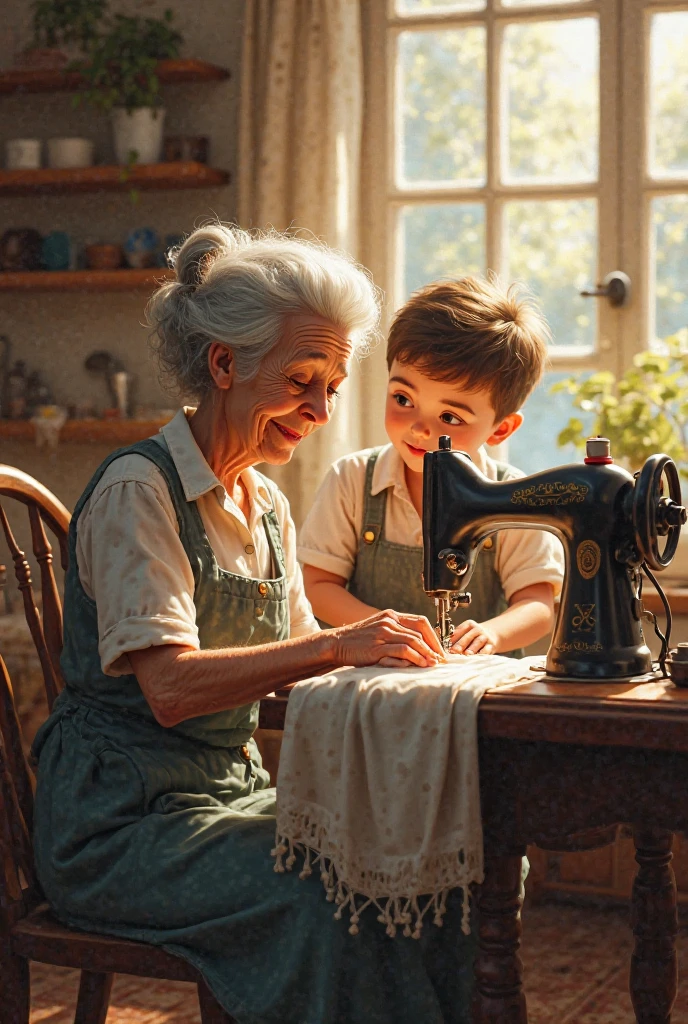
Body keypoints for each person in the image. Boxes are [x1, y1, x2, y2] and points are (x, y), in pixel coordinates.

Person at [32, 225, 478, 1024]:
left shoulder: (265, 503)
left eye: (333, 386)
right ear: (223, 364)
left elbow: (307, 672)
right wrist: (342, 642)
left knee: (426, 860)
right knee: (326, 896)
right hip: (119, 828)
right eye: (302, 379)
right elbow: (170, 689)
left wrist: (416, 688)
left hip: (229, 798)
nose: (320, 410)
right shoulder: (141, 491)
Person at [299, 275, 564, 657]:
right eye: (403, 399)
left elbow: (537, 604)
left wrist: (492, 635)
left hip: (474, 682)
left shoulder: (513, 498)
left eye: (450, 417)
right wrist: (385, 632)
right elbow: (319, 587)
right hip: (371, 677)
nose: (420, 428)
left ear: (501, 429)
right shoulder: (352, 480)